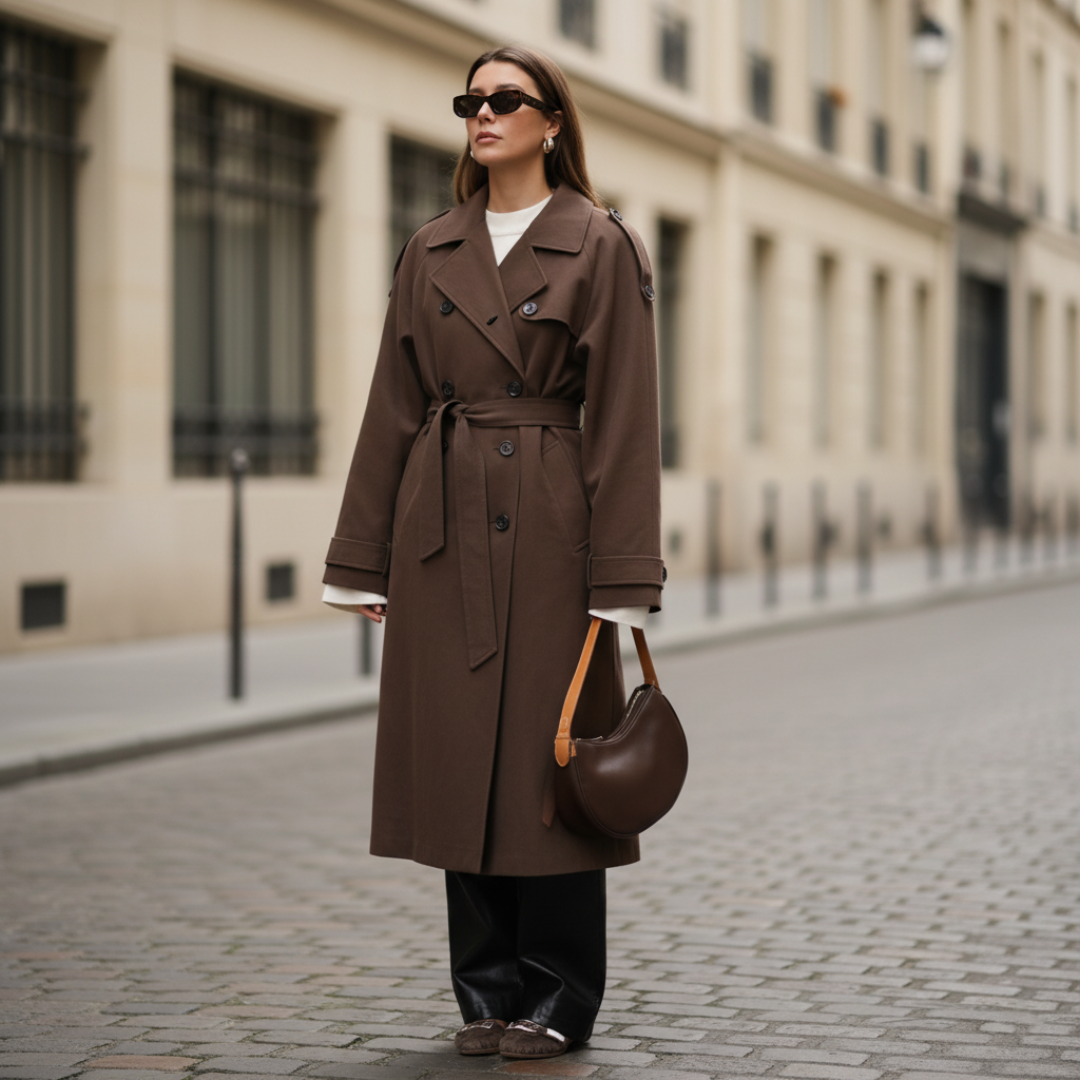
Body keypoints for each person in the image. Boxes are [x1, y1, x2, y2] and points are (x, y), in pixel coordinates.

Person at [321, 44, 664, 1060]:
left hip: (554, 530)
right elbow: (392, 403)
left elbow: (625, 418)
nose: (483, 113)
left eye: (506, 98)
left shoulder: (600, 243)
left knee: (548, 772)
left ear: (552, 121)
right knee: (458, 756)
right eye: (470, 99)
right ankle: (486, 990)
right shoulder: (431, 246)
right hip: (441, 524)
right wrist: (363, 556)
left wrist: (622, 576)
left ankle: (559, 994)